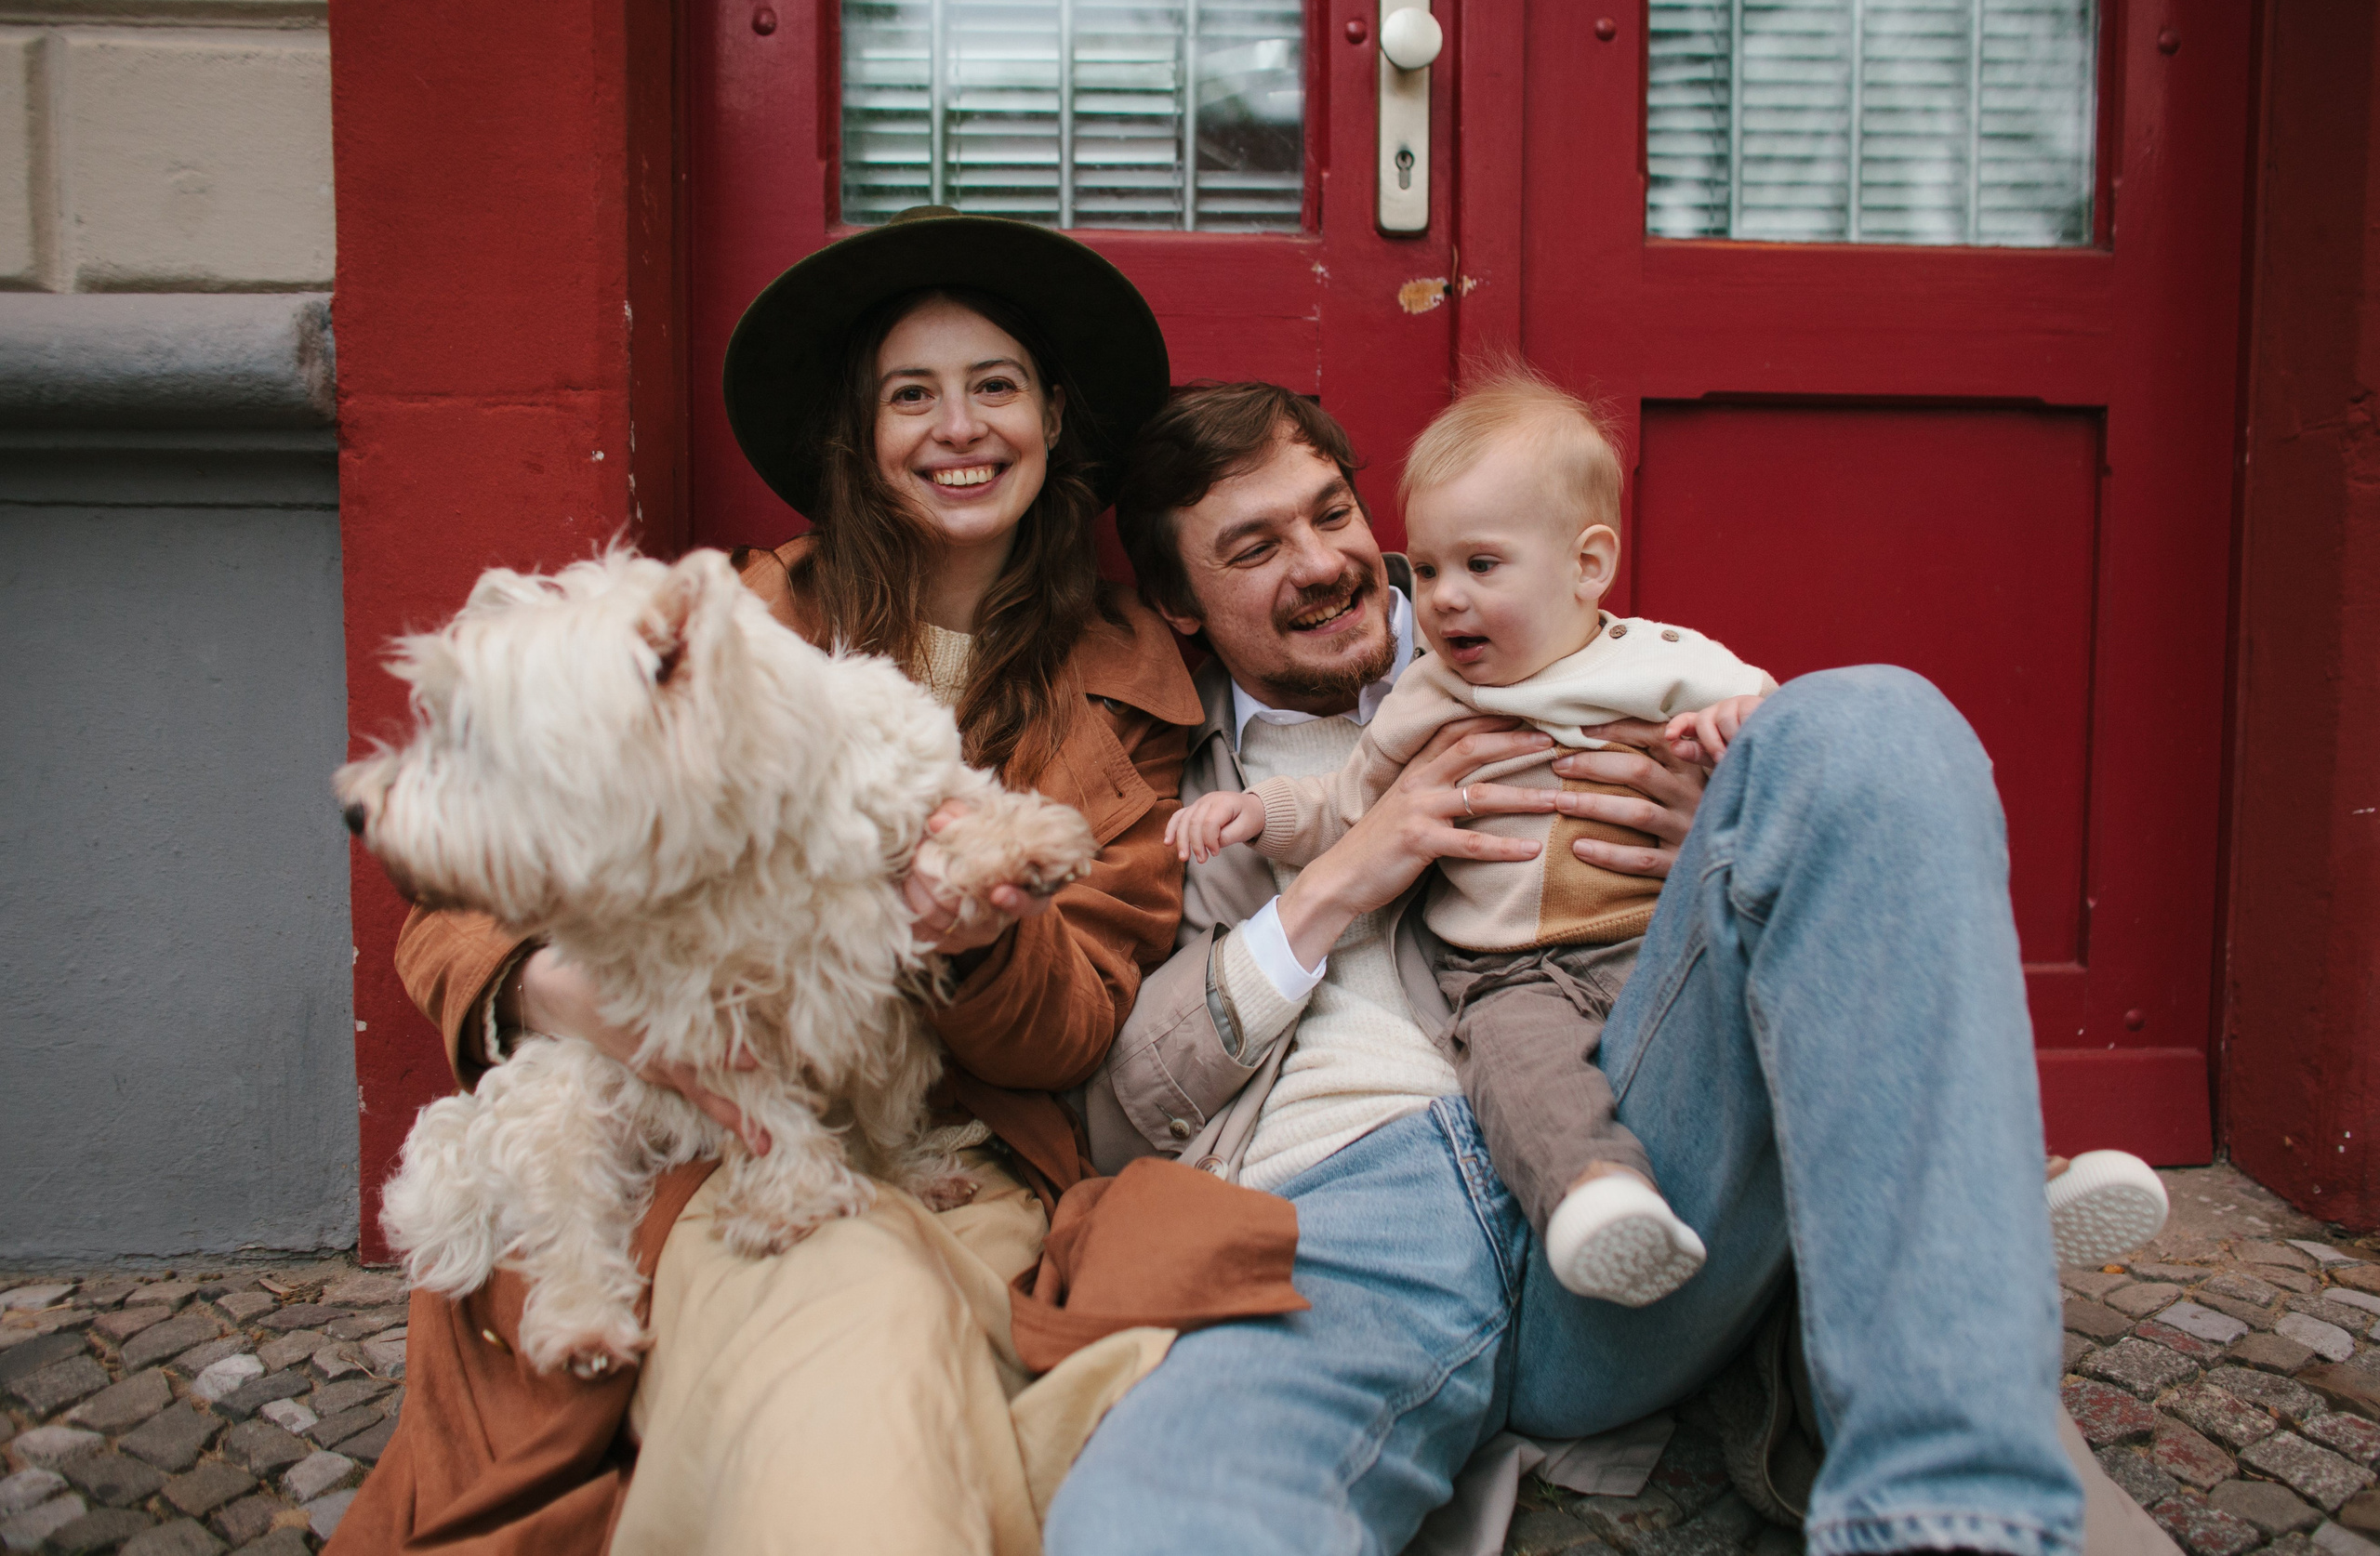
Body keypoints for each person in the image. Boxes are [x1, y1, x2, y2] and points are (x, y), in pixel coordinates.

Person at [1051, 380, 2176, 1556]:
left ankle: (1950, 1515)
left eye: (1334, 514)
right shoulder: (1165, 785)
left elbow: (1801, 818)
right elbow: (1119, 1111)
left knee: (1872, 723)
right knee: (1160, 1513)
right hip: (1371, 1214)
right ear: (1178, 605)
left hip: (1645, 1134)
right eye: (1254, 549)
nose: (1326, 563)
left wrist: (1722, 840)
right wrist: (1336, 881)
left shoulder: (1553, 646)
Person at [358, 207, 1224, 1556]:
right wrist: (561, 991)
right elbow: (458, 893)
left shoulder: (1131, 688)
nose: (959, 427)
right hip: (698, 1134)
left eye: (996, 385)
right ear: (861, 435)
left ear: (1053, 416)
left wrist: (976, 937)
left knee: (895, 1328)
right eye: (910, 394)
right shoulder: (727, 624)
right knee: (842, 1329)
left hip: (957, 1149)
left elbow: (1077, 1023)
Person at [1168, 366, 1773, 1307]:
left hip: (1652, 950)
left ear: (1587, 565)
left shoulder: (1657, 660)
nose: (1444, 597)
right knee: (1520, 1064)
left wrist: (1730, 770)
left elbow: (1772, 735)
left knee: (1775, 987)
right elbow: (1345, 801)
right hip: (1510, 975)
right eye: (1430, 568)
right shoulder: (1431, 695)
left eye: (1481, 566)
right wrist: (1267, 817)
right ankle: (1595, 1199)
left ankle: (1916, 1172)